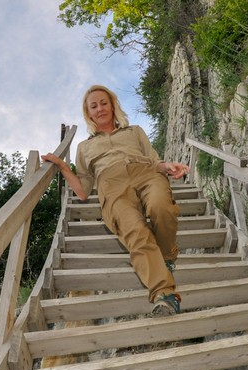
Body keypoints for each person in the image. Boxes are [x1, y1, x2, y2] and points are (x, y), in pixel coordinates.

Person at [43, 84, 189, 316]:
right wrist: (63, 167)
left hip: (145, 172)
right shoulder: (84, 147)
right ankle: (164, 293)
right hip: (111, 185)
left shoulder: (134, 131)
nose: (100, 108)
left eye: (104, 103)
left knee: (161, 207)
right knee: (135, 232)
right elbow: (83, 191)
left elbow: (154, 160)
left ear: (112, 106)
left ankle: (166, 257)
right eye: (94, 106)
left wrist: (168, 166)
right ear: (88, 113)